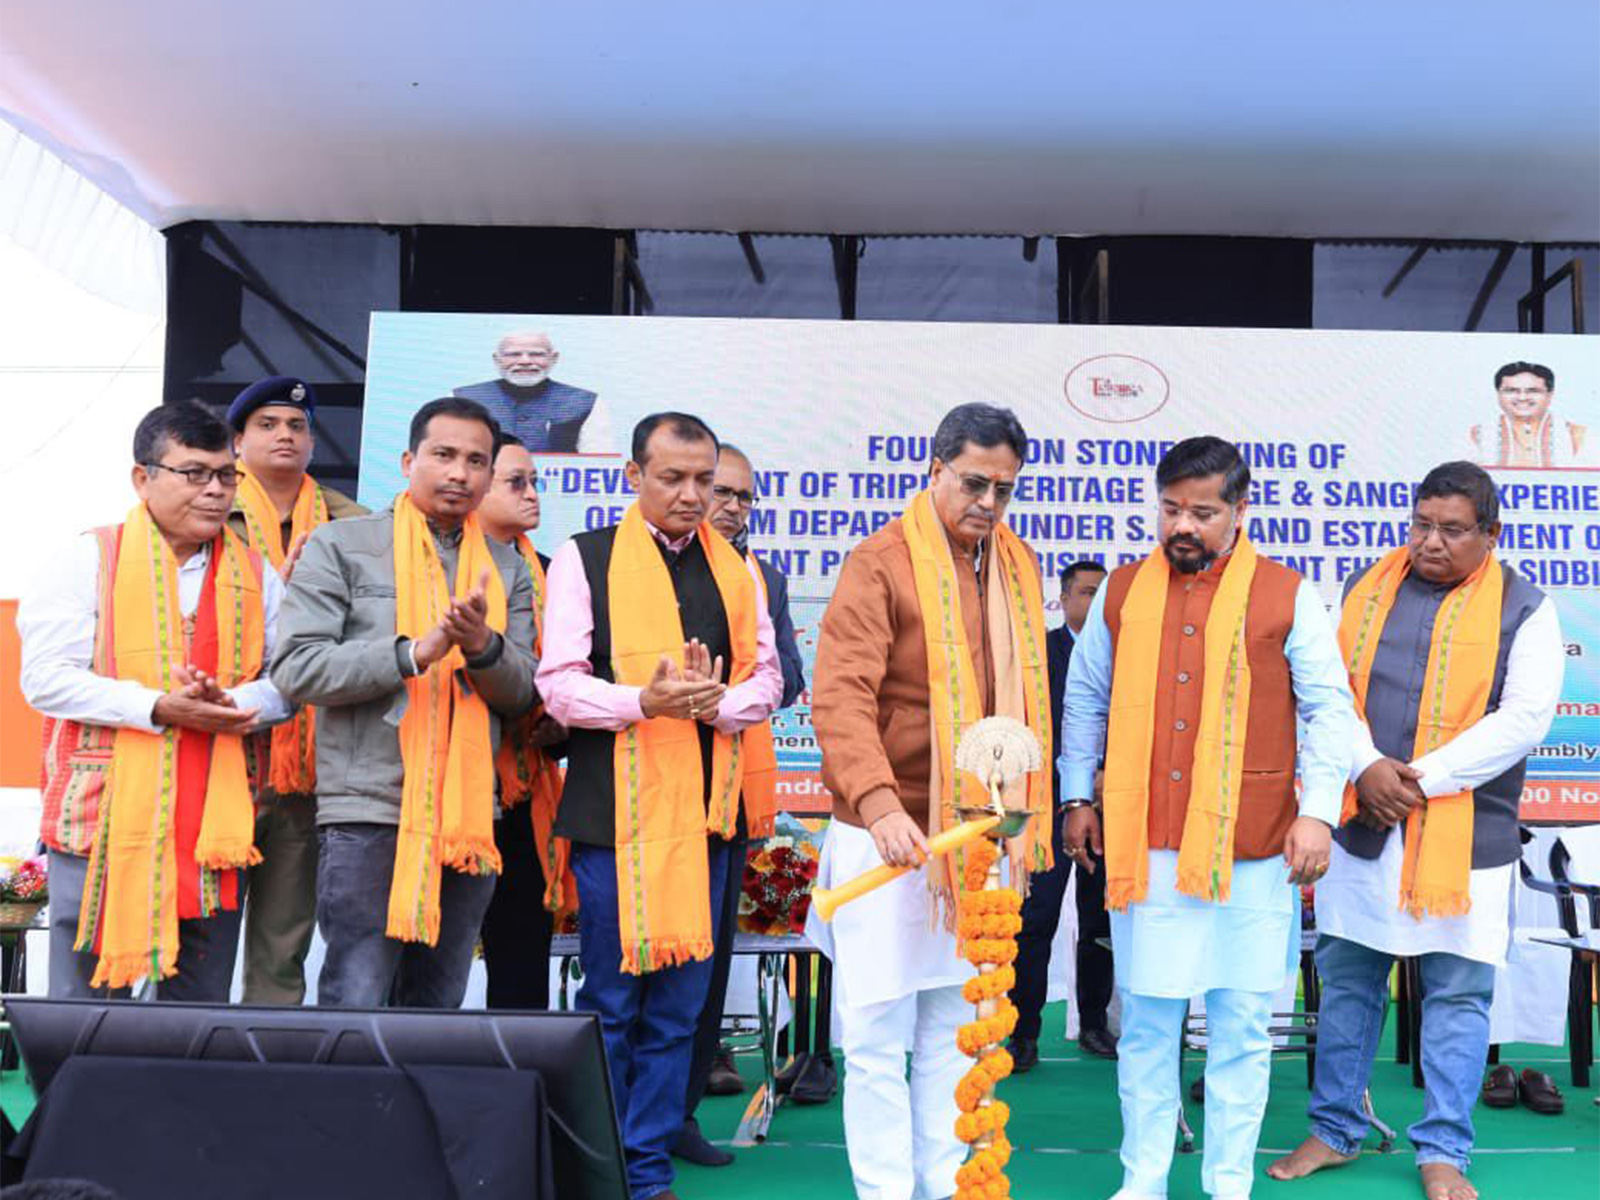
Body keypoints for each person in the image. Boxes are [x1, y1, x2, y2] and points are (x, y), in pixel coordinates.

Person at [1061, 435, 1354, 1200]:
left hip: (1253, 846)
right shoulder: (1122, 592)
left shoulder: (1287, 593)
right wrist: (1076, 796)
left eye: (1202, 511)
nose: (1181, 526)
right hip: (1146, 844)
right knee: (1149, 1029)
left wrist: (1319, 813)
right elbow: (1086, 699)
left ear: (1239, 510)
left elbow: (1329, 711)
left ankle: (1229, 1184)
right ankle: (1143, 1181)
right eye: (1169, 509)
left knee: (1241, 1030)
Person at [1268, 461, 1564, 1200]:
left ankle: (1443, 1149)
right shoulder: (1370, 591)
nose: (1431, 542)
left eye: (1452, 529)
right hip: (1365, 821)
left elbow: (1523, 720)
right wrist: (1366, 767)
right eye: (1422, 524)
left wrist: (1415, 781)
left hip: (1466, 837)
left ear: (1490, 535)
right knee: (1348, 982)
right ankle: (1333, 1129)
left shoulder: (1527, 607)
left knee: (1458, 995)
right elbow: (1328, 690)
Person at [806, 402, 1053, 1200]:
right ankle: (884, 1193)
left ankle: (949, 1187)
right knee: (877, 1035)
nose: (989, 501)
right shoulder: (878, 563)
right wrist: (879, 805)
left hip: (977, 838)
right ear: (935, 470)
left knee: (953, 1031)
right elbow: (841, 695)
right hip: (887, 833)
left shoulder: (1017, 565)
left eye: (1005, 488)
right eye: (974, 482)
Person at [537, 412, 781, 1200]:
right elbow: (559, 685)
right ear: (632, 477)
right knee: (613, 999)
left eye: (703, 480)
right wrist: (644, 700)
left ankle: (644, 1170)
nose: (690, 495)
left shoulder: (739, 572)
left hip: (709, 815)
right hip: (616, 815)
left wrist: (716, 706)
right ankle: (595, 1163)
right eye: (671, 478)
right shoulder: (587, 558)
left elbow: (769, 683)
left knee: (680, 1005)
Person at [271, 397, 537, 1008]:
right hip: (369, 807)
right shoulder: (342, 545)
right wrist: (413, 653)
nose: (459, 473)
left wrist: (481, 647)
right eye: (443, 455)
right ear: (408, 460)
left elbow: (522, 691)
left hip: (468, 815)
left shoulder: (504, 566)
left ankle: (419, 1109)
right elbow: (296, 667)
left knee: (437, 1003)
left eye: (476, 461)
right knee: (357, 994)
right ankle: (349, 1107)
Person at [20, 402, 291, 999]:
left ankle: (181, 1095)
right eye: (194, 473)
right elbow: (45, 678)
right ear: (143, 478)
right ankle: (76, 1096)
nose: (215, 491)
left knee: (199, 997)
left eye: (226, 475)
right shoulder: (89, 557)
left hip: (216, 818)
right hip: (104, 812)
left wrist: (235, 701)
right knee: (85, 997)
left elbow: (289, 679)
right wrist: (158, 707)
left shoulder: (254, 571)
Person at [675, 442, 807, 1168]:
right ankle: (622, 1111)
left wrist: (729, 692)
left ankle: (682, 1112)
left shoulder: (768, 579)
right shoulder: (644, 568)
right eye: (718, 490)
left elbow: (787, 678)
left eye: (741, 497)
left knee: (709, 964)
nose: (729, 506)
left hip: (730, 796)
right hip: (647, 797)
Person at [225, 375, 366, 1006]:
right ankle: (177, 1063)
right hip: (221, 750)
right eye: (268, 424)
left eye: (298, 426)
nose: (286, 435)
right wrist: (276, 593)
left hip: (313, 759)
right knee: (197, 927)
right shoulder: (206, 511)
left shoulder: (353, 524)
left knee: (285, 937)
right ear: (236, 442)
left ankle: (262, 1069)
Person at [1007, 559, 1116, 1071]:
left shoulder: (1125, 654)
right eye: (1087, 594)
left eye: (1103, 594)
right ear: (1065, 599)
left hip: (1110, 806)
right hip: (1049, 807)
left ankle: (1093, 1023)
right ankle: (1023, 1031)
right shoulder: (1040, 654)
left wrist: (1105, 775)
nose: (1095, 604)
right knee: (1037, 919)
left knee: (1100, 920)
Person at [476, 433, 570, 1009]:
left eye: (535, 481)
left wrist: (562, 720)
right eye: (517, 482)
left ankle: (517, 1091)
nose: (533, 494)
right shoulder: (431, 568)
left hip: (525, 786)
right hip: (450, 786)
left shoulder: (556, 573)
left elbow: (580, 672)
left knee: (521, 960)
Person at [454, 330, 613, 454]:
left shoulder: (587, 402)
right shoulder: (461, 399)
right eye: (513, 354)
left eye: (536, 354)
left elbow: (599, 463)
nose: (525, 361)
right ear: (497, 359)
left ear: (553, 358)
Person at [1468, 361, 1592, 469]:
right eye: (1511, 390)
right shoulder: (1475, 435)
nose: (1522, 398)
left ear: (1549, 395)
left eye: (1533, 391)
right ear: (1498, 394)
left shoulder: (1579, 436)